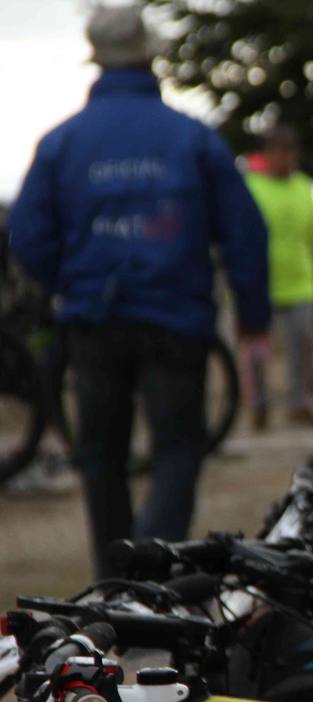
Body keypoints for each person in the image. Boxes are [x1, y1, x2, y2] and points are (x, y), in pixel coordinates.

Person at [7, 4, 269, 578]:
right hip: (176, 318)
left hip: (93, 320)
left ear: (95, 58)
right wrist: (253, 314)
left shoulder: (62, 144)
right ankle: (151, 571)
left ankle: (116, 578)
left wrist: (69, 282)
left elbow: (26, 232)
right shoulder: (192, 139)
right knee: (177, 448)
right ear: (149, 54)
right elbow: (245, 232)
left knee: (100, 455)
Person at [244, 124, 313, 428]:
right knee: (257, 354)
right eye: (280, 152)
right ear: (267, 154)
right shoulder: (252, 187)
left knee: (302, 348)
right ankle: (258, 405)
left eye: (291, 152)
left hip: (299, 282)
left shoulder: (303, 186)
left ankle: (299, 402)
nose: (286, 159)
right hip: (260, 285)